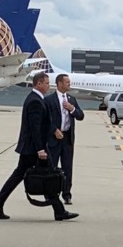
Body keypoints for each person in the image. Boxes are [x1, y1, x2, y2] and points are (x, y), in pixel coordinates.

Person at [0, 72, 77, 222]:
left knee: (32, 176)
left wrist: (52, 130)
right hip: (33, 149)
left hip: (32, 148)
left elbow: (43, 124)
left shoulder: (37, 99)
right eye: (46, 83)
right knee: (48, 175)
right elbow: (35, 128)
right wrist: (40, 150)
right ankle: (59, 210)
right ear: (38, 84)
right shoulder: (35, 101)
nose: (48, 86)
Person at [45, 73, 84, 205]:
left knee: (67, 168)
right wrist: (54, 130)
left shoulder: (71, 99)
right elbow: (45, 120)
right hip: (54, 138)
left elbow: (81, 115)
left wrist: (72, 109)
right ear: (59, 83)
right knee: (52, 167)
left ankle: (66, 194)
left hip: (67, 139)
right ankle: (50, 193)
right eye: (67, 82)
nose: (69, 84)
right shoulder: (49, 100)